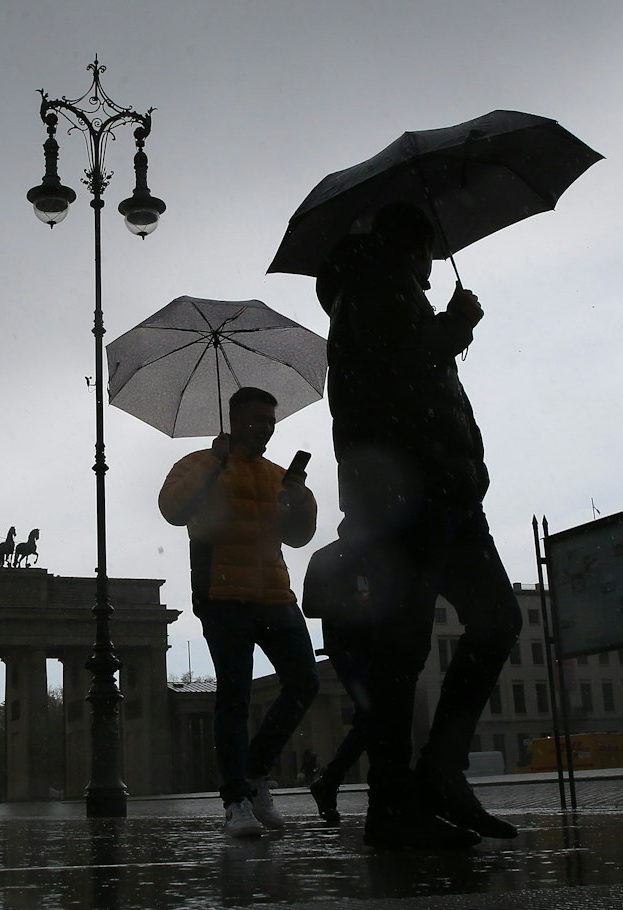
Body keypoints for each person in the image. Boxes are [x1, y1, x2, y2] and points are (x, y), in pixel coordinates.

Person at [314, 201, 524, 849]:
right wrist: (457, 324)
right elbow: (403, 369)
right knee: (406, 648)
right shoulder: (373, 290)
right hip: (407, 496)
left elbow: (414, 373)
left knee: (490, 622)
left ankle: (434, 775)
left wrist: (445, 328)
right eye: (430, 252)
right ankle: (398, 798)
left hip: (445, 492)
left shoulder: (393, 294)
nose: (434, 266)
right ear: (414, 246)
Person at [158, 386, 320, 838]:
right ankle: (236, 801)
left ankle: (255, 772)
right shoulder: (198, 463)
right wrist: (215, 462)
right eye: (257, 419)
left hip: (275, 595)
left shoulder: (276, 474)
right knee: (234, 696)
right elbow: (172, 509)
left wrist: (300, 496)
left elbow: (299, 537)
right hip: (223, 594)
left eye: (270, 420)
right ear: (234, 420)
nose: (265, 428)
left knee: (305, 681)